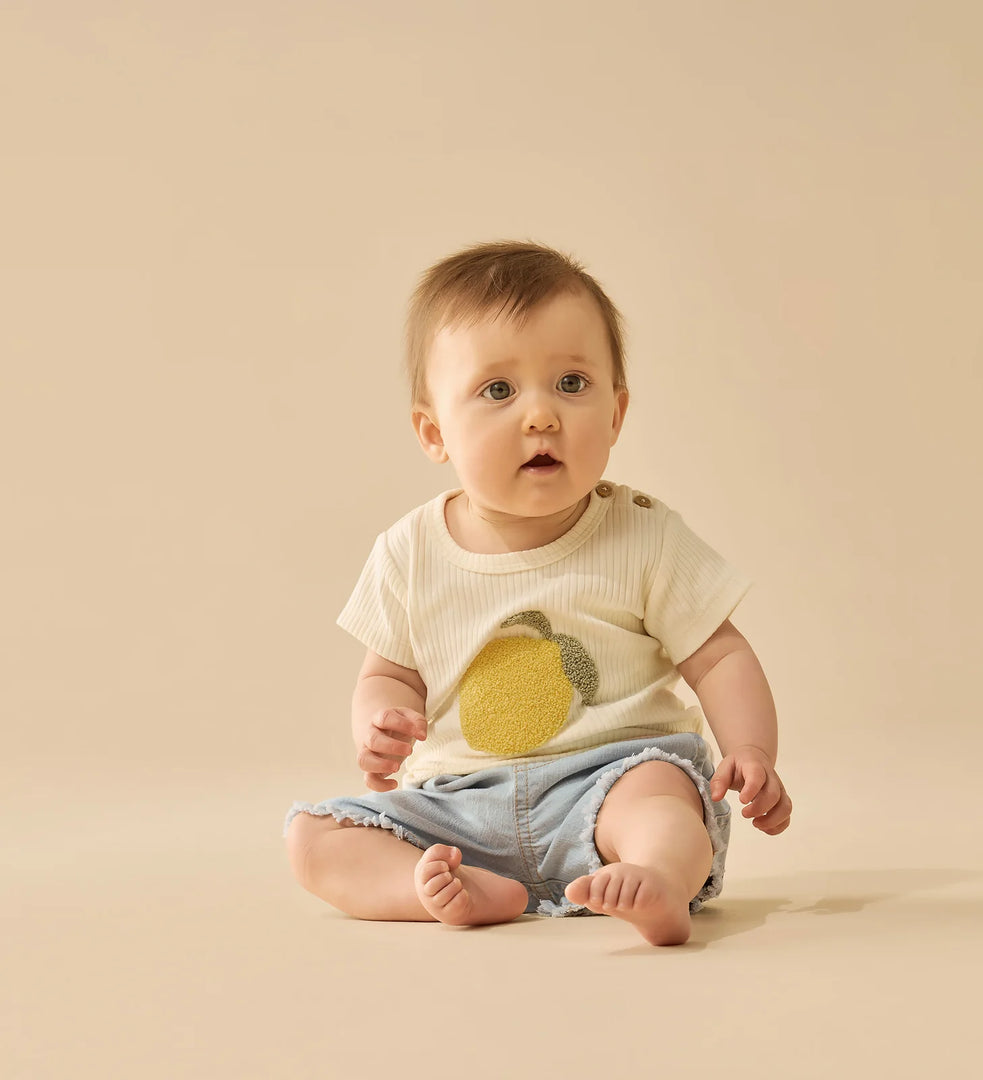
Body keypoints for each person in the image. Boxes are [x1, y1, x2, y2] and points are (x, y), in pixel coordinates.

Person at [284, 239, 792, 946]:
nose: (541, 416)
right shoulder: (408, 551)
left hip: (610, 778)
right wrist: (380, 718)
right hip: (460, 805)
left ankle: (657, 881)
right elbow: (387, 672)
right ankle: (437, 887)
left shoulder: (643, 535)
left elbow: (719, 655)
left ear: (616, 414)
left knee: (664, 804)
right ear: (434, 433)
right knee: (312, 838)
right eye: (499, 391)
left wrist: (752, 749)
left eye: (572, 384)